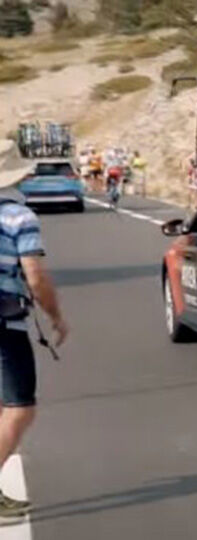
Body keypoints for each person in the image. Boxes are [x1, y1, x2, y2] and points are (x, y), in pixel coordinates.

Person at [0, 141, 68, 518]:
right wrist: (56, 316)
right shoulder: (17, 216)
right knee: (20, 407)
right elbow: (36, 275)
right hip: (3, 323)